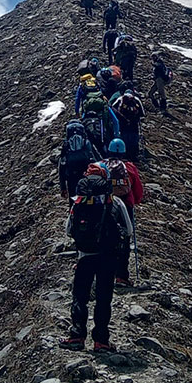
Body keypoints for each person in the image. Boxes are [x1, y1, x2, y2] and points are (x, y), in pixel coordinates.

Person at [61, 173, 134, 352]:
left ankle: (77, 336)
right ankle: (101, 340)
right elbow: (129, 230)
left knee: (80, 296)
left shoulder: (79, 202)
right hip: (108, 257)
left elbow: (69, 230)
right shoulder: (115, 202)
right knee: (103, 298)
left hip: (85, 256)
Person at [103, 140, 145, 286]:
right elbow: (138, 191)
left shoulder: (101, 165)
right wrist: (135, 201)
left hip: (106, 206)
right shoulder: (130, 167)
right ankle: (121, 276)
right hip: (125, 207)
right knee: (125, 238)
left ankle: (105, 272)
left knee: (105, 238)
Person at [59, 122, 98, 200]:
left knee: (73, 196)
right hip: (86, 173)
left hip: (71, 175)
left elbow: (61, 166)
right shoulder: (86, 143)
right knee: (88, 194)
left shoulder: (66, 145)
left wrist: (63, 187)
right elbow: (94, 157)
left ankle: (74, 210)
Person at [110, 88, 144, 161]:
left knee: (124, 137)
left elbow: (113, 108)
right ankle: (134, 155)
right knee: (134, 139)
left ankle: (124, 154)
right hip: (134, 124)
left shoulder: (120, 99)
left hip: (123, 123)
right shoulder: (136, 100)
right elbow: (142, 113)